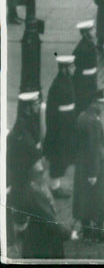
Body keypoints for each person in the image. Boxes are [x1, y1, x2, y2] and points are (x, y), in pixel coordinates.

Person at [73, 88, 104, 242]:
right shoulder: (94, 122)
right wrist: (94, 172)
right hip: (95, 164)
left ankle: (86, 229)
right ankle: (99, 232)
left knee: (84, 197)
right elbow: (94, 148)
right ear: (96, 103)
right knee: (99, 199)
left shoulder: (82, 117)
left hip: (82, 164)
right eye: (102, 104)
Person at [6, 91, 44, 244]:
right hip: (22, 170)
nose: (37, 106)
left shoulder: (29, 120)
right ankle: (21, 229)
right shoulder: (21, 126)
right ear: (27, 107)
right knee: (23, 197)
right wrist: (37, 151)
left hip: (27, 167)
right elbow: (29, 147)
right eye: (35, 104)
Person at [18, 159, 73, 258]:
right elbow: (48, 219)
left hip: (36, 236)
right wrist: (68, 234)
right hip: (44, 240)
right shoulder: (35, 192)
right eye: (39, 165)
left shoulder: (34, 186)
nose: (42, 166)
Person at [44, 54, 77, 199]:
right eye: (71, 66)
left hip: (67, 124)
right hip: (59, 127)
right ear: (64, 69)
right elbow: (52, 111)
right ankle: (54, 186)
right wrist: (54, 130)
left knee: (63, 155)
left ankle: (56, 184)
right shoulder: (58, 86)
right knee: (58, 157)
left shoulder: (66, 81)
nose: (74, 68)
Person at [73, 20, 99, 113]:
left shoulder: (89, 43)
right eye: (92, 30)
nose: (94, 31)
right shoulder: (82, 48)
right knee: (85, 101)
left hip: (90, 77)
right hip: (84, 80)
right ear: (85, 33)